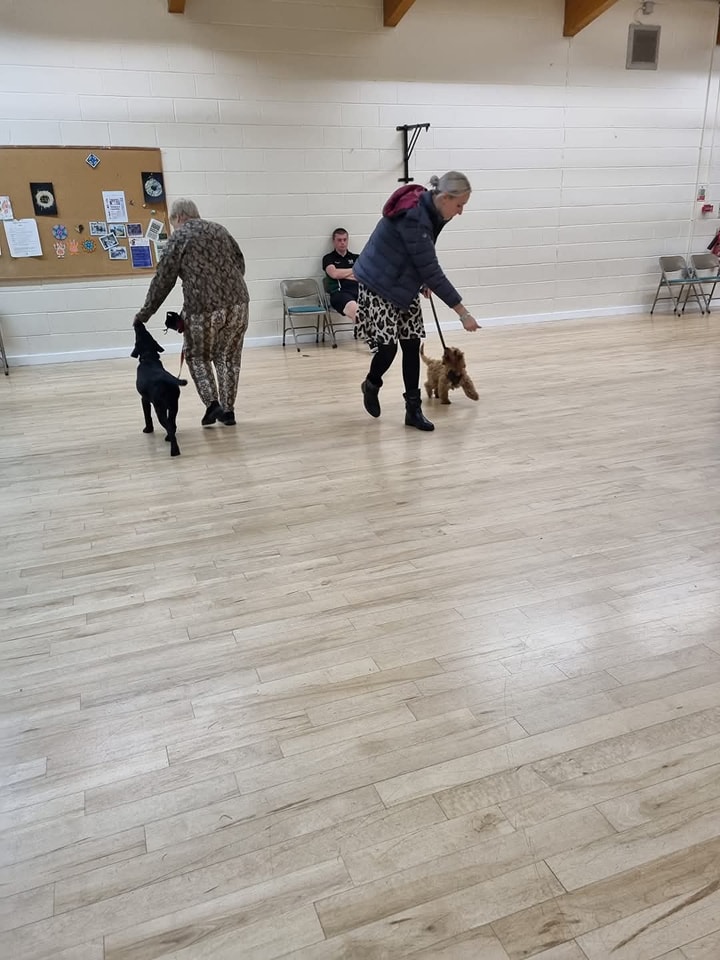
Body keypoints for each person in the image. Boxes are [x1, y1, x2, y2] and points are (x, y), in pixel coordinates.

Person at [353, 171, 480, 432]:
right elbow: (431, 269)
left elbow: (417, 255)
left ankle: (413, 410)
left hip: (403, 282)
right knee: (387, 349)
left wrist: (421, 280)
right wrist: (462, 312)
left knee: (411, 345)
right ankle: (372, 383)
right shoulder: (415, 216)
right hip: (379, 283)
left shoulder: (433, 212)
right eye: (459, 205)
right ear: (444, 197)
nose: (460, 212)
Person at [133, 198, 249, 427]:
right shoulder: (219, 230)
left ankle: (212, 404)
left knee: (197, 356)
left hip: (203, 309)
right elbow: (240, 264)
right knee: (229, 359)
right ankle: (228, 411)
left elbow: (162, 281)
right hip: (239, 305)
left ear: (178, 218)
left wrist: (145, 313)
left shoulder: (179, 237)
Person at [322, 228, 359, 325]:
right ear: (333, 241)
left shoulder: (357, 258)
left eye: (345, 239)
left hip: (359, 291)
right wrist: (354, 270)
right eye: (339, 240)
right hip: (340, 293)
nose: (342, 243)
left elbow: (363, 276)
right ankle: (365, 335)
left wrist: (342, 274)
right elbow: (334, 274)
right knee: (356, 311)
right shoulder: (328, 258)